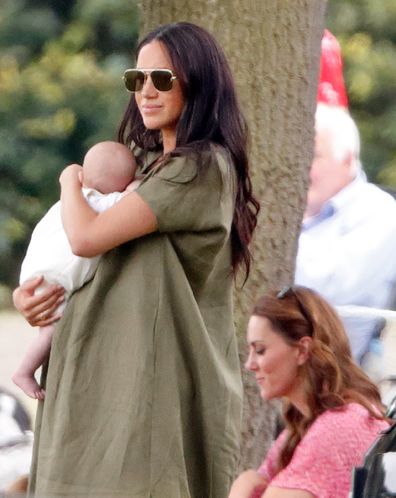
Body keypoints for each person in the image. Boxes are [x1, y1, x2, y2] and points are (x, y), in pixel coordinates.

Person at [12, 22, 259, 498]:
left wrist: (68, 178)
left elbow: (85, 237)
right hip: (92, 378)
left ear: (198, 83)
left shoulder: (200, 169)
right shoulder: (140, 167)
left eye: (162, 79)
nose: (146, 91)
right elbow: (78, 260)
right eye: (137, 79)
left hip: (151, 391)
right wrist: (36, 295)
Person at [229, 286, 389, 498]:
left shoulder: (337, 427)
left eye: (260, 350)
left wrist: (243, 485)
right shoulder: (307, 424)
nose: (250, 364)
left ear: (302, 350)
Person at [12, 141, 137, 400]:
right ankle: (24, 371)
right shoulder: (103, 203)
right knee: (51, 329)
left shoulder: (68, 202)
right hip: (56, 279)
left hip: (33, 271)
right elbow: (133, 197)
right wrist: (136, 185)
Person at [295, 103, 396, 363]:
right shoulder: (298, 212)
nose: (302, 165)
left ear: (347, 159)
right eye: (299, 152)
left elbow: (321, 291)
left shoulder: (379, 213)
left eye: (314, 154)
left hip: (336, 377)